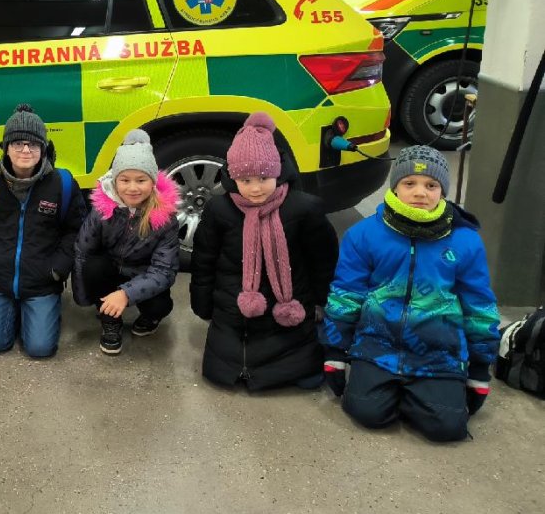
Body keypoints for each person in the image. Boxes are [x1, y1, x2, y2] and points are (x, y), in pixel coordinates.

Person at [320, 145, 500, 442]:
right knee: (366, 412)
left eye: (431, 185)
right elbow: (346, 293)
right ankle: (388, 387)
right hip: (377, 346)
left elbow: (479, 304)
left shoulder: (465, 241)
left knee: (446, 427)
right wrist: (335, 352)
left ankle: (424, 392)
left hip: (438, 352)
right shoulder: (364, 234)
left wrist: (479, 369)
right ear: (395, 187)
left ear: (442, 191)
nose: (420, 193)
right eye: (409, 183)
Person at [189, 112, 338, 390]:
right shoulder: (219, 210)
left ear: (277, 172)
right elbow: (204, 260)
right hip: (234, 307)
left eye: (263, 178)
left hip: (288, 305)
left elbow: (322, 260)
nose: (255, 189)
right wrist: (203, 302)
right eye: (245, 181)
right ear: (233, 178)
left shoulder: (304, 209)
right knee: (221, 369)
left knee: (306, 372)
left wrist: (322, 300)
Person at [0, 104, 85, 358]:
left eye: (33, 144)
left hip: (42, 281)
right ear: (6, 147)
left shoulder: (63, 183)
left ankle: (35, 312)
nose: (25, 150)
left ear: (43, 148)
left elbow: (76, 229)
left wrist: (58, 268)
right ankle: (13, 311)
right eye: (18, 143)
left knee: (40, 348)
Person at [72, 130, 179, 354]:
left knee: (160, 305)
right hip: (109, 269)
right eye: (125, 180)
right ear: (115, 181)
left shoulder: (165, 218)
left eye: (141, 180)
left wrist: (126, 294)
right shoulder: (101, 210)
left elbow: (164, 271)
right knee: (94, 266)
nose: (132, 188)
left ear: (152, 182)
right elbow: (83, 249)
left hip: (143, 272)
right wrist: (84, 296)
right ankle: (110, 321)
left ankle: (149, 318)